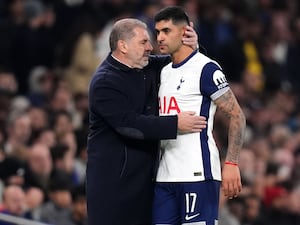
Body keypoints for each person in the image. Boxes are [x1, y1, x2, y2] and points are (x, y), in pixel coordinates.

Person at [87, 18, 206, 225]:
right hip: (113, 189)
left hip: (145, 182)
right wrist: (174, 124)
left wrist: (192, 45)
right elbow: (128, 124)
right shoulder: (105, 81)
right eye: (143, 42)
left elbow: (182, 62)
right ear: (123, 46)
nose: (151, 47)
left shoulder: (147, 66)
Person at [152, 6, 246, 225]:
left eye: (166, 31)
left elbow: (237, 115)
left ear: (185, 32)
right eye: (157, 32)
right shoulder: (163, 71)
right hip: (164, 176)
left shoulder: (206, 69)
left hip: (198, 173)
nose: (160, 37)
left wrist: (231, 163)